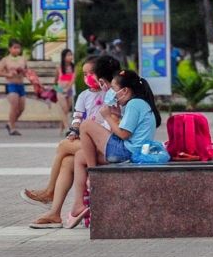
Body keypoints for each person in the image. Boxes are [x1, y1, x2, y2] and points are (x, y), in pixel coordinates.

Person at [25, 55, 120, 229]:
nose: (87, 77)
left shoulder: (112, 93)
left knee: (63, 146)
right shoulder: (85, 95)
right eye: (84, 74)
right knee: (68, 161)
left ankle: (50, 192)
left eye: (91, 73)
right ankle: (55, 213)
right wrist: (75, 131)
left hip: (105, 144)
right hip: (93, 141)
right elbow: (78, 117)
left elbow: (111, 124)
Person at [65, 70, 162, 228]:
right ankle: (77, 206)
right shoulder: (139, 103)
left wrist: (108, 117)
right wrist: (117, 115)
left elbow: (124, 134)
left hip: (127, 152)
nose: (112, 94)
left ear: (125, 91)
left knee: (86, 125)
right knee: (80, 156)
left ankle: (93, 173)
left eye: (114, 89)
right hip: (129, 151)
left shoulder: (135, 104)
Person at [0, 39, 28, 135]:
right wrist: (8, 74)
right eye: (14, 48)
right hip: (11, 85)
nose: (17, 50)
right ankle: (12, 128)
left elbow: (27, 70)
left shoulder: (22, 59)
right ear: (10, 48)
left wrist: (23, 71)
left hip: (21, 85)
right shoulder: (5, 60)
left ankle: (10, 123)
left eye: (18, 48)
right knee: (14, 105)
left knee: (21, 108)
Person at [56, 49, 76, 132]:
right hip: (60, 89)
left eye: (71, 55)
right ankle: (67, 128)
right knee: (64, 108)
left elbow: (73, 79)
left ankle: (62, 126)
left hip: (69, 90)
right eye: (68, 55)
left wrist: (67, 89)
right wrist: (57, 89)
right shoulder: (59, 67)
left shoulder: (73, 67)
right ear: (63, 57)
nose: (70, 57)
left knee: (67, 110)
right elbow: (56, 80)